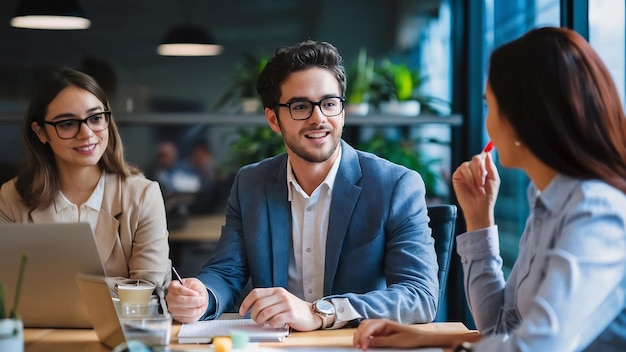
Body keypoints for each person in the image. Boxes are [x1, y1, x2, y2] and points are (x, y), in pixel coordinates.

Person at [353, 26, 626, 351]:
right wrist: (480, 219)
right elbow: (502, 326)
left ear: (523, 117)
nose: (488, 123)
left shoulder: (597, 211)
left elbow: (538, 346)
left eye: (489, 106)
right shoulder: (546, 202)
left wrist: (457, 348)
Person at [165, 40, 439, 332]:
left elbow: (418, 296)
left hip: (355, 344)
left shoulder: (394, 185)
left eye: (330, 104)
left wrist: (321, 312)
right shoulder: (251, 184)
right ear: (273, 119)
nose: (318, 118)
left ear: (342, 112)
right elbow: (226, 271)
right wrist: (201, 297)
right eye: (300, 107)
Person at [0, 67, 171, 288]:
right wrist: (114, 286)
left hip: (122, 324)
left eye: (96, 118)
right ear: (41, 132)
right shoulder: (11, 198)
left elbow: (147, 290)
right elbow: (7, 288)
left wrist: (54, 286)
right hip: (38, 324)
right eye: (67, 123)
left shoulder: (142, 195)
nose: (87, 134)